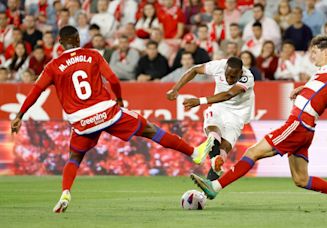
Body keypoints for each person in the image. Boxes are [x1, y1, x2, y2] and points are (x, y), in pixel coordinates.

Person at [10, 26, 214, 213]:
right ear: (78, 38)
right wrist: (118, 99)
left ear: (60, 42)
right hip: (107, 112)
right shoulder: (92, 55)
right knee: (150, 130)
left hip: (81, 121)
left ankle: (65, 192)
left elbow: (35, 92)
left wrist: (19, 115)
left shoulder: (52, 66)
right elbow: (114, 79)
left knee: (74, 157)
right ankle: (194, 153)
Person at [190, 35, 327, 210]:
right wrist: (301, 89)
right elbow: (318, 89)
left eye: (314, 52)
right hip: (306, 129)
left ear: (324, 51)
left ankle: (214, 187)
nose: (311, 55)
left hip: (298, 123)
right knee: (300, 179)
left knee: (252, 152)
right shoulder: (321, 73)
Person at [167, 56, 255, 180]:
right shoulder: (218, 65)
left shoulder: (248, 77)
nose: (229, 79)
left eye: (233, 77)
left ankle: (217, 160)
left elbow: (228, 94)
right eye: (227, 75)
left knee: (225, 145)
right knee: (213, 128)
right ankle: (214, 170)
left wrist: (199, 101)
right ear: (224, 68)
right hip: (219, 107)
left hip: (238, 113)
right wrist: (175, 89)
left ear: (240, 73)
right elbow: (195, 70)